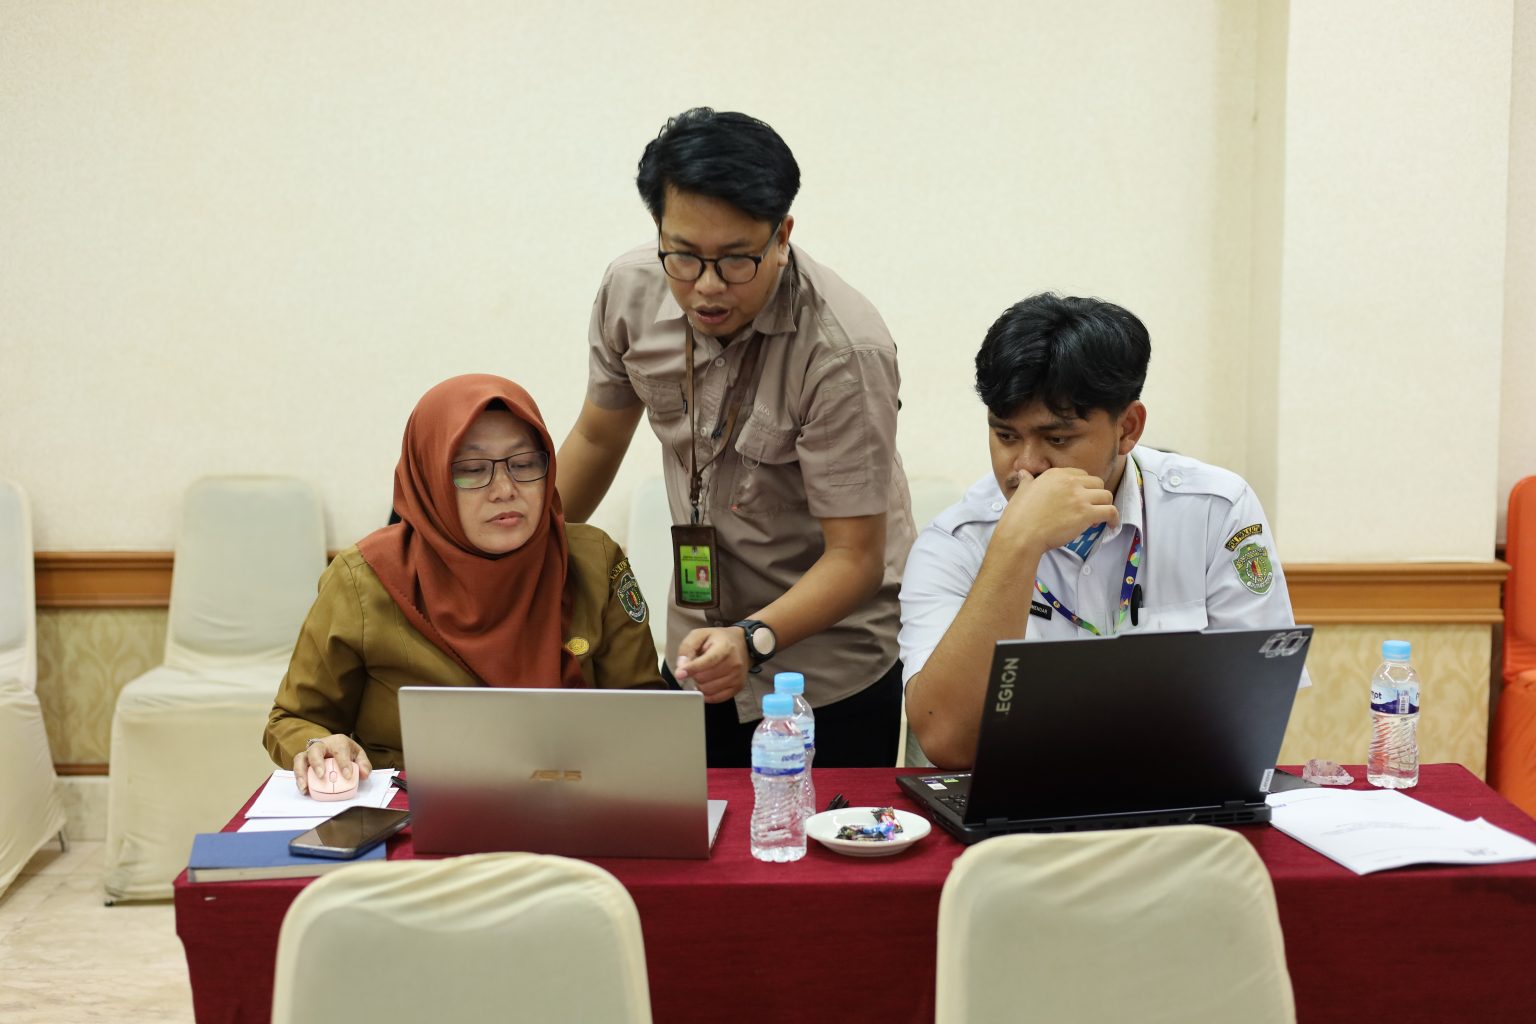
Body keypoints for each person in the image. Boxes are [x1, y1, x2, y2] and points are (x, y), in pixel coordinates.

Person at [557, 108, 915, 767]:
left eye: (736, 260)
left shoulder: (843, 351)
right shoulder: (630, 293)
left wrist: (752, 640)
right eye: (684, 256)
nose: (708, 287)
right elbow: (597, 439)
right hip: (696, 650)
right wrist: (514, 562)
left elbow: (856, 557)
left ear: (782, 235)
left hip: (825, 675)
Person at [899, 293, 1305, 769]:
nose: (1026, 465)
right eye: (1006, 436)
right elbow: (945, 740)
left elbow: (1258, 703)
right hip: (1019, 792)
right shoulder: (954, 542)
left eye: (1057, 438)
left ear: (1127, 428)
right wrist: (1017, 545)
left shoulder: (1215, 510)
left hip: (1174, 786)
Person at [265, 374, 661, 792]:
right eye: (472, 470)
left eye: (525, 464)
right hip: (410, 809)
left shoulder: (593, 561)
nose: (505, 489)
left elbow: (648, 716)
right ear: (429, 478)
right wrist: (318, 746)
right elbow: (293, 718)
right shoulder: (364, 580)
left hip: (575, 801)